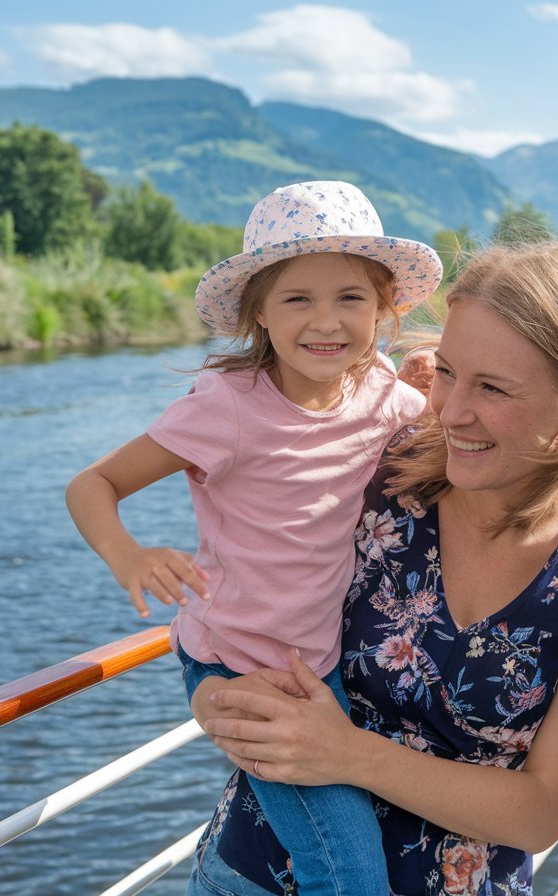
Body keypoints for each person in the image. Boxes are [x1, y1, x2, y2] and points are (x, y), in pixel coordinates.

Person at [186, 241, 558, 896]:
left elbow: (542, 812)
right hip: (254, 873)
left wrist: (346, 754)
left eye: (492, 387)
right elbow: (229, 599)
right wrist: (213, 697)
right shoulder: (380, 468)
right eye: (450, 372)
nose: (451, 412)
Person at [65, 180, 444, 896]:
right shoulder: (226, 409)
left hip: (321, 663)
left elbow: (454, 447)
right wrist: (131, 554)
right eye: (298, 298)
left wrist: (439, 386)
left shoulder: (386, 396)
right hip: (242, 666)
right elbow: (91, 485)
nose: (325, 322)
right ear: (259, 313)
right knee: (350, 873)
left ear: (386, 307)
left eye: (350, 298)